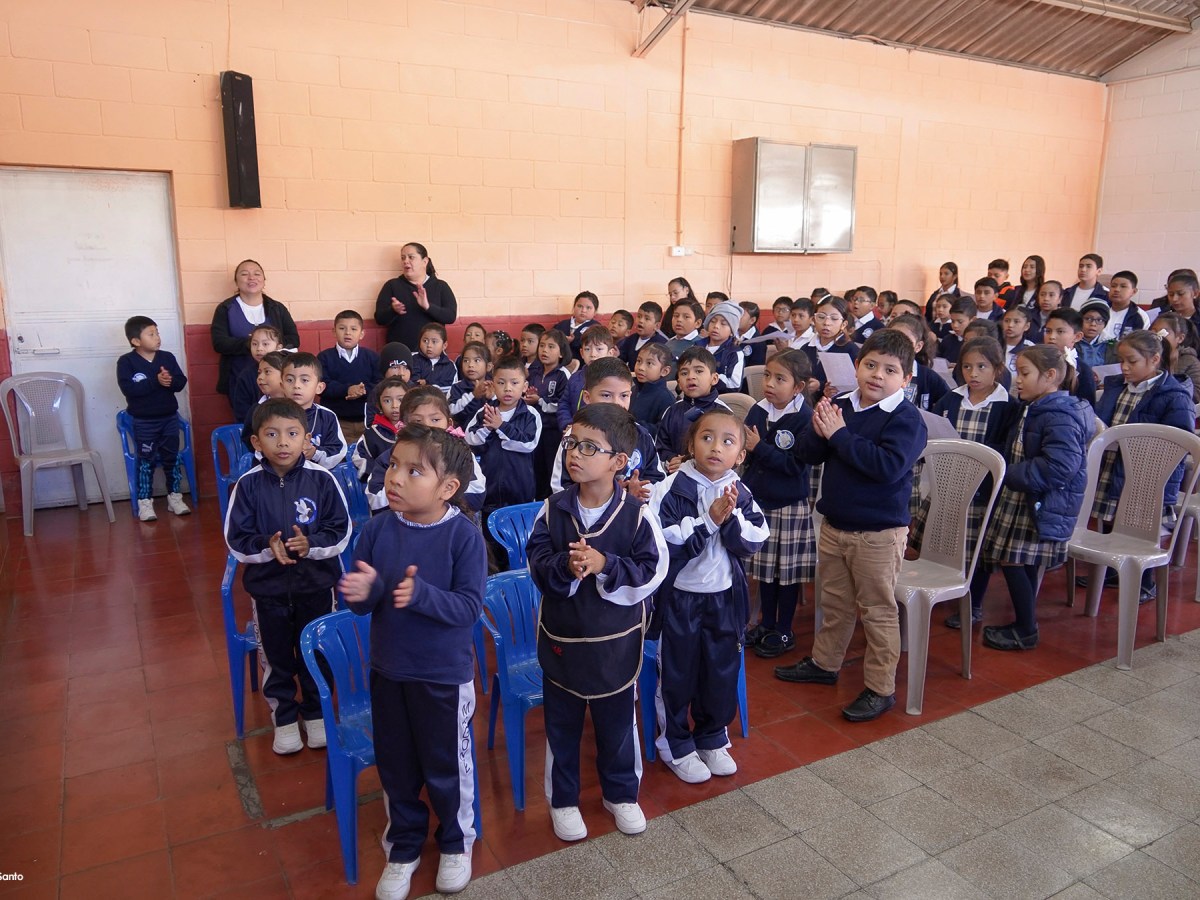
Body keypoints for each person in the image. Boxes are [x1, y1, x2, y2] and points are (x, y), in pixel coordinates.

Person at [339, 425, 486, 900]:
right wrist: (365, 595)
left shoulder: (463, 537)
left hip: (442, 677)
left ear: (448, 488)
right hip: (388, 670)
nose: (395, 479)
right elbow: (365, 602)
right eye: (394, 466)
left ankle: (455, 843)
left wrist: (421, 595)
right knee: (396, 765)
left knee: (447, 766)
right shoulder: (377, 529)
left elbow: (467, 608)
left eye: (414, 470)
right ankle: (403, 847)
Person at [527, 403, 668, 842]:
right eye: (572, 443)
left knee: (617, 724)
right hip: (564, 641)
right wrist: (565, 570)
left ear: (618, 462)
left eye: (591, 447)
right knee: (562, 727)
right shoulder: (551, 511)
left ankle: (622, 793)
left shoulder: (637, 514)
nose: (576, 453)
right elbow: (537, 562)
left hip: (615, 642)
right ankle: (564, 801)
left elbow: (653, 570)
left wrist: (606, 564)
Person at [775, 330, 927, 722]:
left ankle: (880, 688)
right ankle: (826, 664)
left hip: (878, 534)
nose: (877, 375)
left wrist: (839, 434)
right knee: (836, 604)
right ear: (857, 367)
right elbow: (811, 454)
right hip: (836, 524)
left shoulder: (906, 419)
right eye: (870, 365)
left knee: (877, 610)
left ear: (906, 379)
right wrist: (817, 422)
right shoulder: (843, 405)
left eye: (890, 370)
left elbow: (887, 467)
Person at [225, 398, 351, 754]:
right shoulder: (247, 485)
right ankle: (283, 717)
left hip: (316, 586)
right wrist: (268, 546)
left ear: (305, 437)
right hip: (269, 592)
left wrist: (310, 545)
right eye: (272, 434)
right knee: (277, 658)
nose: (283, 442)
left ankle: (315, 713)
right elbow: (237, 541)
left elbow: (340, 532)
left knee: (316, 654)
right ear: (256, 442)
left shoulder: (322, 479)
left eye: (292, 433)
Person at [649, 409, 768, 781]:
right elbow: (662, 542)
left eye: (728, 442)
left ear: (741, 454)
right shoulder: (670, 488)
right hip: (680, 599)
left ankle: (713, 736)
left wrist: (730, 519)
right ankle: (676, 743)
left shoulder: (739, 490)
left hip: (724, 599)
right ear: (690, 444)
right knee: (678, 673)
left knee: (720, 671)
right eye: (707, 438)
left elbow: (756, 537)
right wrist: (709, 521)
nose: (716, 448)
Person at [980, 345, 1092, 650]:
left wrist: (1008, 474)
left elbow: (1059, 467)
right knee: (1018, 561)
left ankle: (1026, 629)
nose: (1017, 379)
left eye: (1025, 373)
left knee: (1013, 560)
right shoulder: (1035, 405)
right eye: (1017, 372)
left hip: (1038, 501)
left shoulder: (1061, 414)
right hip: (1022, 495)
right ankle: (1024, 623)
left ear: (1051, 376)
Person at [917, 337, 1019, 628]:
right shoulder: (950, 400)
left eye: (981, 367)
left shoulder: (1006, 406)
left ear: (997, 370)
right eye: (967, 367)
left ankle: (973, 603)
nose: (973, 374)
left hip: (981, 491)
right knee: (944, 537)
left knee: (976, 547)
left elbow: (1004, 448)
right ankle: (940, 586)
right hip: (947, 484)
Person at [1091, 330, 1194, 602]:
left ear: (1155, 359)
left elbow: (1178, 442)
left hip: (1148, 477)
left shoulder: (1173, 395)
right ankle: (1113, 569)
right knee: (1109, 518)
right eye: (1121, 360)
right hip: (1112, 466)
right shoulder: (1117, 386)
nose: (1124, 367)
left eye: (1132, 361)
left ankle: (1145, 581)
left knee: (1141, 530)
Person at [742, 351, 815, 659]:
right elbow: (746, 452)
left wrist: (759, 448)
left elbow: (795, 467)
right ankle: (765, 623)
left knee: (786, 575)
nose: (769, 383)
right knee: (765, 572)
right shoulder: (757, 411)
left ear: (798, 387)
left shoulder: (804, 419)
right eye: (768, 376)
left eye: (780, 379)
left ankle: (784, 629)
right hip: (761, 503)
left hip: (789, 506)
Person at [550, 357, 664, 499]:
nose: (616, 403)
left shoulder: (641, 435)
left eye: (624, 396)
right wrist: (609, 496)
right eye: (606, 395)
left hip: (632, 514)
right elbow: (560, 487)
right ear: (587, 397)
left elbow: (657, 479)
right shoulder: (573, 437)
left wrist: (638, 494)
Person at [366, 387, 485, 516]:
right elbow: (375, 500)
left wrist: (425, 499)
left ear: (449, 423)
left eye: (435, 420)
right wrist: (428, 495)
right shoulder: (391, 458)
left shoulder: (460, 455)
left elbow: (477, 494)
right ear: (402, 426)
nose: (427, 426)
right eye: (417, 421)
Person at [117, 315, 191, 522]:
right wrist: (155, 382)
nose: (157, 337)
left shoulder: (167, 358)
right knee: (146, 461)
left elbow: (180, 381)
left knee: (172, 459)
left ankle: (174, 497)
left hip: (169, 419)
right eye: (151, 334)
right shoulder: (127, 362)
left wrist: (170, 381)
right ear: (136, 341)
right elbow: (128, 388)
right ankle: (145, 502)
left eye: (157, 333)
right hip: (144, 422)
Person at [211, 259, 299, 411]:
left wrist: (272, 346)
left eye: (257, 274)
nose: (251, 278)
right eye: (245, 274)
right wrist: (250, 343)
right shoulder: (225, 308)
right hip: (239, 377)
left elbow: (293, 339)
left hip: (276, 380)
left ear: (264, 281)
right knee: (247, 420)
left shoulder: (277, 308)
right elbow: (219, 342)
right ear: (236, 282)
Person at [465, 355, 541, 523]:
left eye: (514, 383)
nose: (507, 388)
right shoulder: (484, 412)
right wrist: (487, 428)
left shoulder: (530, 414)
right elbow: (469, 439)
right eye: (501, 383)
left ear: (524, 386)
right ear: (493, 385)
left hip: (520, 491)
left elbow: (528, 444)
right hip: (490, 490)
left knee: (519, 536)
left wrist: (501, 426)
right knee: (491, 539)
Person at [655, 346, 730, 470]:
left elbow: (728, 452)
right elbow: (660, 447)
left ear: (714, 378)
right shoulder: (672, 411)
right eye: (684, 373)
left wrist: (690, 463)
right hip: (674, 475)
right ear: (679, 382)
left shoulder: (724, 414)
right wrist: (671, 460)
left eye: (699, 371)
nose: (691, 377)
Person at [374, 242, 458, 349]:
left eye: (411, 257)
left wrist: (428, 307)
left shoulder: (441, 286)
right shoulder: (392, 285)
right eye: (403, 258)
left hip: (431, 353)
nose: (406, 261)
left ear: (425, 261)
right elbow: (379, 319)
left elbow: (450, 316)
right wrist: (393, 310)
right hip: (401, 352)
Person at [317, 310, 380, 444]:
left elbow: (380, 384)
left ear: (361, 333)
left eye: (353, 329)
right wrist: (347, 389)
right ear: (334, 331)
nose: (347, 333)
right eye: (342, 328)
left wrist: (362, 391)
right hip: (337, 422)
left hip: (367, 421)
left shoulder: (372, 357)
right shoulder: (324, 357)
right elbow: (322, 385)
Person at [283, 352, 347, 469]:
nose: (296, 385)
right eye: (290, 380)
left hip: (317, 480)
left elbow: (338, 451)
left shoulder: (327, 416)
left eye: (305, 380)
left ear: (319, 387)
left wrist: (314, 453)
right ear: (282, 385)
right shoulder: (272, 415)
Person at [529, 330, 572, 498]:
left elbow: (562, 404)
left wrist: (539, 400)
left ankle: (549, 502)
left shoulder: (562, 375)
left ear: (561, 352)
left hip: (552, 432)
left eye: (551, 346)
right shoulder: (534, 372)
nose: (544, 350)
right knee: (536, 468)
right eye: (542, 346)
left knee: (550, 469)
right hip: (535, 430)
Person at [557, 326, 617, 433]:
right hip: (574, 431)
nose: (593, 354)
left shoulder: (613, 381)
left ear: (610, 353)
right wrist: (568, 423)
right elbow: (564, 404)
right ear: (581, 353)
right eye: (587, 349)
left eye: (599, 349)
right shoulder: (575, 378)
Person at [888, 314, 949, 411]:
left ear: (918, 346)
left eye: (905, 341)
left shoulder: (928, 377)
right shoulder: (879, 371)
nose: (897, 345)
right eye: (892, 338)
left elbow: (948, 402)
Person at [352, 376, 407, 479]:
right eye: (387, 401)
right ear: (379, 406)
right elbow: (359, 456)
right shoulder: (372, 434)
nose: (395, 405)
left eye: (400, 399)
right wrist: (378, 474)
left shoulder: (416, 431)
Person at [803, 296, 859, 397]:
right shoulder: (806, 348)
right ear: (814, 320)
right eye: (821, 317)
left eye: (834, 318)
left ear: (844, 324)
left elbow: (854, 385)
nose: (826, 323)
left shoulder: (850, 350)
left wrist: (820, 385)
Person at [1043, 308, 1097, 407]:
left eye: (1060, 332)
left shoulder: (1083, 370)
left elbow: (1087, 408)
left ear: (1077, 337)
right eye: (1048, 331)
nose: (1052, 336)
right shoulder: (1037, 362)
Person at [230, 324, 283, 423]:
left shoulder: (286, 370)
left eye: (265, 344)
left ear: (278, 347)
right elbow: (241, 412)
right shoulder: (245, 376)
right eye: (254, 344)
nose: (259, 348)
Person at [240, 351, 290, 450]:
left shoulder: (300, 405)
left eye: (267, 372)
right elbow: (247, 438)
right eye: (259, 372)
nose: (260, 378)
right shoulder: (256, 409)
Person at [702, 301, 746, 395]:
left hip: (721, 400)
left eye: (723, 323)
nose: (716, 326)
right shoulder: (697, 347)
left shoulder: (734, 353)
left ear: (731, 331)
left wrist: (709, 377)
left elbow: (735, 385)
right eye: (713, 321)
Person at [1155, 311, 1200, 401]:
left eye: (1163, 332)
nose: (1157, 336)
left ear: (1180, 338)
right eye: (1153, 331)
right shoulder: (1148, 359)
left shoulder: (1190, 361)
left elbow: (1196, 395)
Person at [448, 342, 491, 429]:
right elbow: (453, 414)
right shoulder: (456, 387)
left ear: (489, 366)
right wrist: (473, 396)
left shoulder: (493, 386)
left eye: (477, 360)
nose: (470, 365)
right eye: (466, 361)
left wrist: (492, 398)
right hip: (462, 436)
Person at [630, 343, 674, 427]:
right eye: (639, 361)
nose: (641, 367)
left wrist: (633, 427)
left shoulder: (666, 399)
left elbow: (662, 431)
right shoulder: (633, 390)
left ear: (664, 371)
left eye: (649, 363)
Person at [618, 301, 668, 369]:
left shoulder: (661, 344)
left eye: (647, 318)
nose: (641, 320)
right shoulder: (631, 339)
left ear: (656, 326)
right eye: (639, 316)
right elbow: (621, 359)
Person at [411, 323, 458, 395]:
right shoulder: (413, 359)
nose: (429, 345)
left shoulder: (449, 365)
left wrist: (427, 382)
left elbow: (450, 387)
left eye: (434, 342)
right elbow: (413, 381)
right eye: (425, 341)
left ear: (444, 345)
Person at [555, 291, 601, 357]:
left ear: (595, 311)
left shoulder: (596, 328)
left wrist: (573, 341)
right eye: (579, 306)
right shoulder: (562, 325)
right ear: (574, 307)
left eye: (588, 308)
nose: (583, 310)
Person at [1104, 271, 1147, 341]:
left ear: (1134, 292)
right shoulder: (1100, 309)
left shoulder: (1140, 316)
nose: (1116, 290)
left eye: (1123, 286)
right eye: (1113, 286)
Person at [937, 297, 977, 364]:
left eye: (960, 322)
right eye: (952, 321)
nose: (955, 325)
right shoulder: (947, 340)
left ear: (973, 320)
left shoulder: (977, 343)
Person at [1077, 300, 1113, 369]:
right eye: (1088, 319)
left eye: (1099, 320)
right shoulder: (1071, 341)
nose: (1093, 324)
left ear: (1105, 324)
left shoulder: (1111, 345)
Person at [1001, 306, 1034, 374]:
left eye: (1016, 322)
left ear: (1027, 326)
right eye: (1007, 321)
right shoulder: (995, 344)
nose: (1010, 325)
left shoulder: (1031, 348)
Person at [737, 301, 767, 372]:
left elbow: (754, 371)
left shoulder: (759, 342)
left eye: (741, 315)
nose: (736, 317)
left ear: (752, 320)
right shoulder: (729, 334)